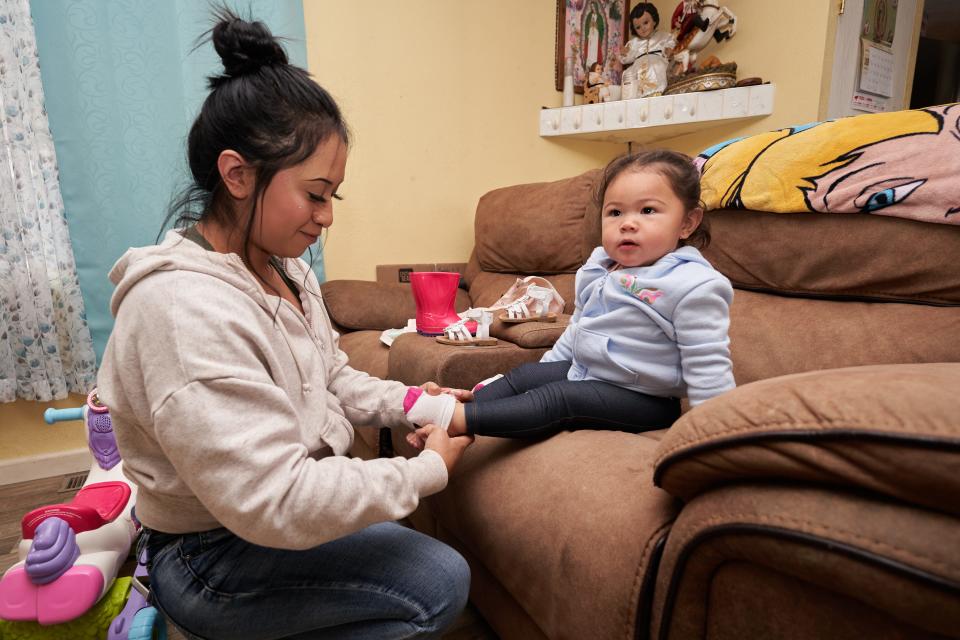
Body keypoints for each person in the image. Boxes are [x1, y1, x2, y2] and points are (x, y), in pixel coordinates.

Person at [97, 10, 474, 640]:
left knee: (420, 571)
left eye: (335, 197)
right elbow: (275, 498)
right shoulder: (181, 311)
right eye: (315, 193)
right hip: (207, 553)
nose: (326, 217)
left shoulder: (286, 271)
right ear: (238, 174)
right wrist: (428, 470)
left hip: (264, 520)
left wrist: (417, 406)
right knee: (437, 585)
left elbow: (330, 378)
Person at [407, 149, 734, 444]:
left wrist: (714, 438)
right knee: (527, 374)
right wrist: (542, 374)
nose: (627, 224)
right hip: (589, 371)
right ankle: (467, 403)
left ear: (687, 222)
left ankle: (457, 420)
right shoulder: (599, 267)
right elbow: (578, 329)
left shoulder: (693, 284)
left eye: (648, 210)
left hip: (645, 401)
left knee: (561, 399)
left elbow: (709, 369)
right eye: (615, 213)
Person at [620, 3, 677, 98]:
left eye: (646, 23)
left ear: (654, 21)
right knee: (629, 75)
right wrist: (625, 53)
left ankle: (657, 92)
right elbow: (626, 59)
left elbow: (671, 46)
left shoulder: (663, 36)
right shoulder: (634, 42)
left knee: (657, 69)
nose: (643, 28)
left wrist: (668, 51)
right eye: (638, 27)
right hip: (637, 69)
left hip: (657, 65)